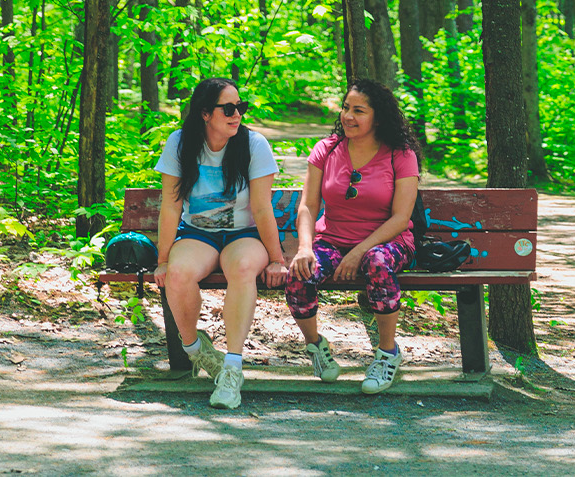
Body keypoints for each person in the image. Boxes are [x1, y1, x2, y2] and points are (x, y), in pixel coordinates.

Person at [152, 77, 287, 410]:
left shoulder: (254, 145)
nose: (237, 114)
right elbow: (171, 205)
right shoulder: (180, 143)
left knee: (242, 268)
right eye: (228, 108)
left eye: (240, 107)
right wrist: (164, 259)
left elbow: (261, 207)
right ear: (204, 114)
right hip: (198, 233)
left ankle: (232, 366)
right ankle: (196, 350)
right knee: (178, 275)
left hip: (244, 235)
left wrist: (276, 259)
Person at [285, 78, 420, 394]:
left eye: (359, 110)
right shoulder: (327, 149)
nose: (348, 116)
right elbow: (308, 205)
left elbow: (401, 218)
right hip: (332, 241)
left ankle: (387, 355)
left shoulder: (400, 154)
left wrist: (358, 251)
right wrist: (305, 247)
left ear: (378, 117)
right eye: (346, 108)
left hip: (388, 242)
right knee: (299, 274)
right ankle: (316, 348)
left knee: (377, 261)